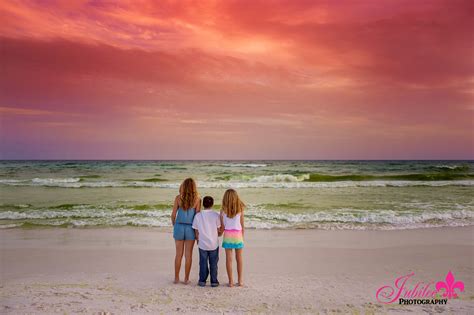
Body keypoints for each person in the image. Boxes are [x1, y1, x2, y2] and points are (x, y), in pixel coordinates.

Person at [171, 178, 200, 284]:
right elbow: (197, 217)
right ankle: (186, 279)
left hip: (179, 227)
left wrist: (175, 225)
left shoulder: (178, 198)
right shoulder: (197, 199)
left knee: (178, 254)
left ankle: (176, 278)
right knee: (188, 255)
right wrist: (197, 233)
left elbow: (173, 215)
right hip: (190, 229)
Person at [192, 196, 222, 287]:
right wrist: (218, 234)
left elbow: (196, 230)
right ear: (212, 204)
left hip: (202, 244)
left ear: (202, 205)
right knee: (213, 263)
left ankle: (202, 281)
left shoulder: (198, 215)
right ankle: (214, 281)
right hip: (213, 244)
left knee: (203, 263)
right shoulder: (216, 215)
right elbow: (218, 229)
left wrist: (197, 239)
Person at [220, 189, 245, 287]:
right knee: (239, 258)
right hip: (238, 235)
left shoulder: (222, 210)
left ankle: (230, 282)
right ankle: (240, 281)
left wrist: (218, 233)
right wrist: (242, 236)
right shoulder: (240, 208)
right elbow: (242, 225)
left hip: (228, 235)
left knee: (229, 259)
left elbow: (222, 227)